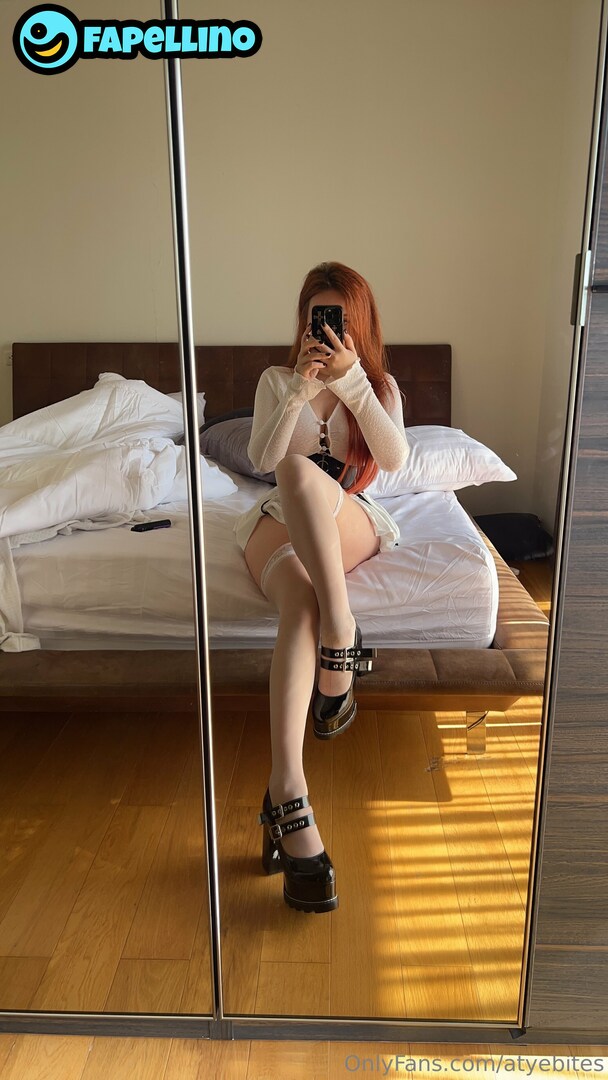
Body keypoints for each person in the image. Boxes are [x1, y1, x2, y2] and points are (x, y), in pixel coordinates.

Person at [232, 261, 410, 912]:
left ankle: (340, 627)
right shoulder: (276, 380)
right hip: (276, 521)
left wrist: (352, 383)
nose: (325, 330)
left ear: (358, 324)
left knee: (307, 476)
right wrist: (298, 393)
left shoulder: (379, 386)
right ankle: (289, 790)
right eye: (316, 318)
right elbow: (262, 459)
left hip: (349, 518)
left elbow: (395, 459)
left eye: (337, 319)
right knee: (299, 598)